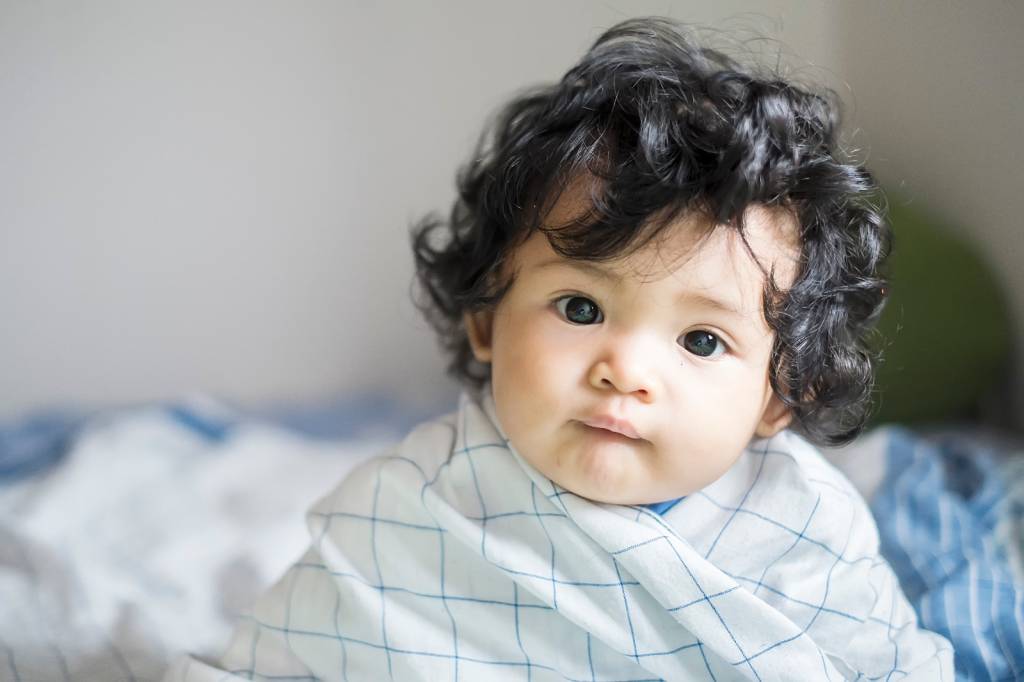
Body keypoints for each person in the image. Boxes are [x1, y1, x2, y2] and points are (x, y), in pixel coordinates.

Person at [165, 17, 953, 680]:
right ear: (487, 317)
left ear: (779, 395)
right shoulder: (416, 506)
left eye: (702, 340)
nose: (627, 370)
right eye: (580, 306)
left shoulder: (804, 529)